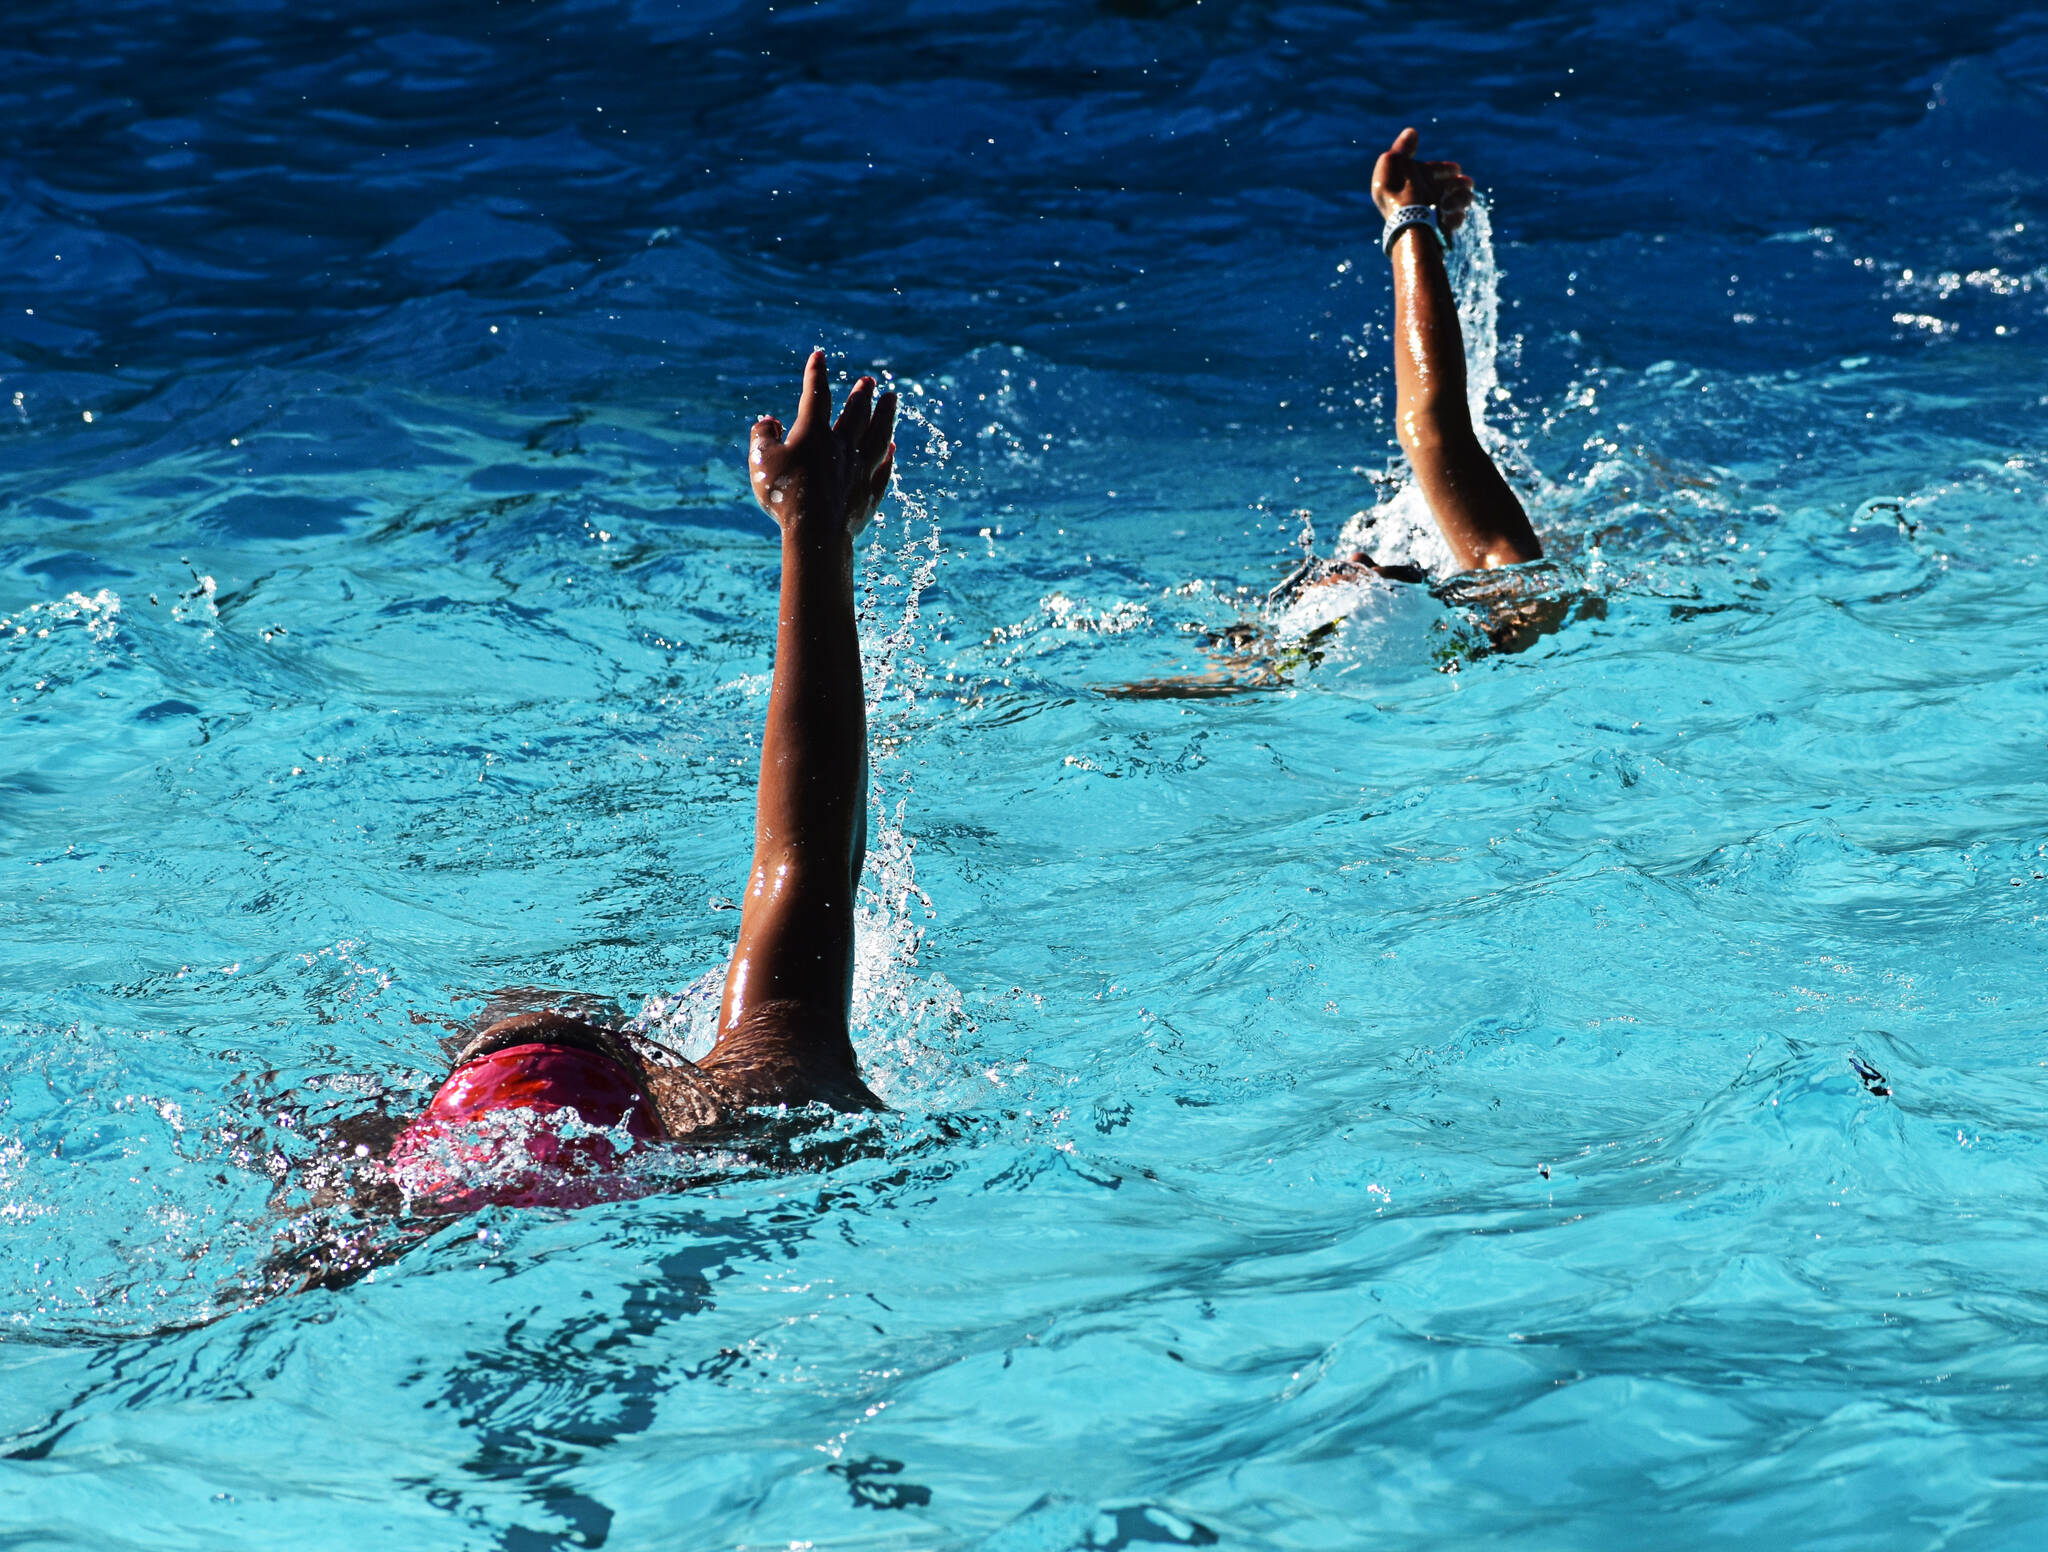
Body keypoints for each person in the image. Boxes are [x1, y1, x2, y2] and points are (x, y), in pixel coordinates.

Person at [346, 353, 898, 1216]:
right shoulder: (754, 1103)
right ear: (653, 1094)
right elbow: (804, 858)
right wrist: (812, 525)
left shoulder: (369, 1177)